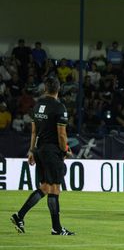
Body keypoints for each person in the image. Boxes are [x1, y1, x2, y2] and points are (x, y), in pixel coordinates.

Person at [10, 76, 75, 235]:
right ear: (58, 89)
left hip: (39, 150)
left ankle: (19, 216)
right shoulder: (59, 108)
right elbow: (61, 135)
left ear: (45, 89)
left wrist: (31, 150)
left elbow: (34, 131)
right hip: (52, 151)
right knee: (55, 188)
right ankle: (56, 228)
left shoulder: (38, 105)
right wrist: (65, 150)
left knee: (45, 187)